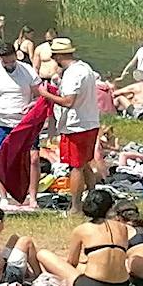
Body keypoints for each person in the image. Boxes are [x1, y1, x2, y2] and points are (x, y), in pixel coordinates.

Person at [0, 41, 41, 201]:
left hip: (24, 122)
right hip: (0, 122)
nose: (10, 65)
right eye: (6, 62)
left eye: (12, 61)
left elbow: (39, 95)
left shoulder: (27, 70)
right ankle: (4, 197)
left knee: (33, 158)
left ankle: (33, 197)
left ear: (16, 56)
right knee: (2, 159)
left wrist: (32, 105)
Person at [42, 36, 103, 199]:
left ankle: (76, 205)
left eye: (54, 56)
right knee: (84, 162)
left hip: (75, 126)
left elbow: (68, 101)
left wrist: (46, 94)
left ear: (59, 56)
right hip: (90, 122)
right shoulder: (85, 68)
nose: (53, 59)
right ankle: (92, 196)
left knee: (75, 166)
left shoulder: (72, 74)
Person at [59, 187, 133, 286]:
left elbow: (72, 263)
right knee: (82, 264)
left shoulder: (81, 229)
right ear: (110, 208)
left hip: (93, 285)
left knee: (43, 254)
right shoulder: (123, 228)